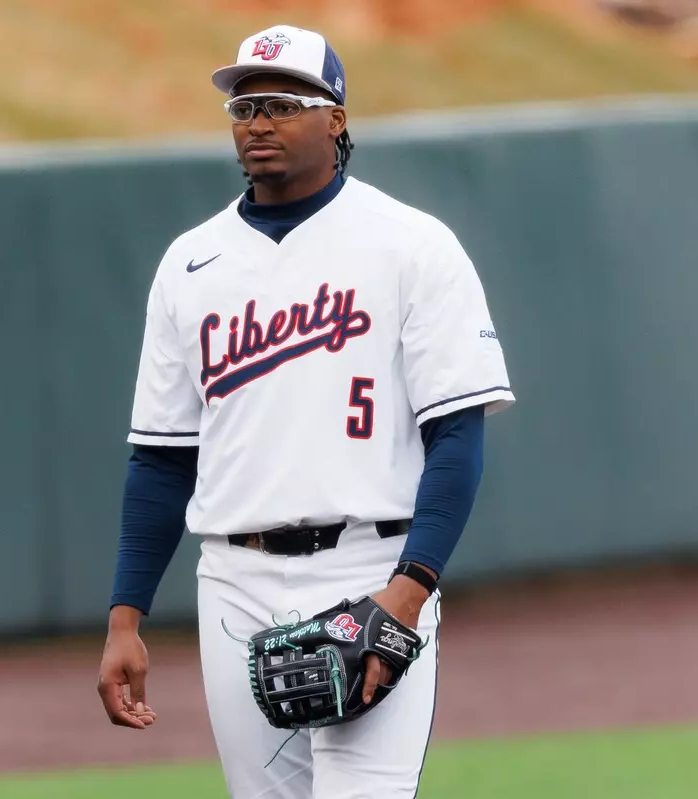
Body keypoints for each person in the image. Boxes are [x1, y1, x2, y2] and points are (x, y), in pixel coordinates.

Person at [97, 23, 516, 798]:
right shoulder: (190, 264)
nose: (259, 121)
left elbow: (457, 436)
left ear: (337, 118)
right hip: (234, 580)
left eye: (284, 103)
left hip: (370, 569)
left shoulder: (411, 245)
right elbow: (160, 458)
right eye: (244, 106)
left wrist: (407, 591)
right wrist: (127, 615)